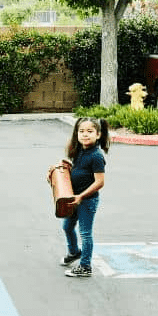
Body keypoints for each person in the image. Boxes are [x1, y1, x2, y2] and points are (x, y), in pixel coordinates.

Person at [60, 116, 109, 278]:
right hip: (74, 197)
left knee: (85, 233)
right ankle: (74, 252)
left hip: (87, 200)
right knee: (67, 227)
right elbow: (79, 170)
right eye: (81, 131)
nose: (85, 135)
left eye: (90, 131)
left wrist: (81, 196)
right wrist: (67, 168)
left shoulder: (96, 156)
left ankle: (85, 266)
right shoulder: (79, 150)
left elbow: (99, 182)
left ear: (98, 134)